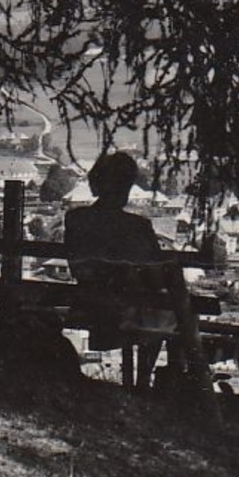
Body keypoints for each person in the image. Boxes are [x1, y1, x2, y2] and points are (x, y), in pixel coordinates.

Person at [63, 152, 173, 387]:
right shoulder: (138, 227)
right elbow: (156, 278)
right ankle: (144, 380)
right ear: (125, 186)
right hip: (123, 312)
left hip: (87, 305)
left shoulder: (74, 219)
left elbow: (77, 269)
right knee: (167, 310)